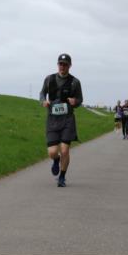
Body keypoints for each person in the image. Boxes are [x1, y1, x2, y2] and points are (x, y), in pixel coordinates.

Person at [39, 54, 83, 187]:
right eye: (60, 64)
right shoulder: (49, 79)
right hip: (52, 119)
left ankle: (62, 177)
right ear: (57, 65)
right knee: (52, 152)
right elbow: (42, 94)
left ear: (70, 66)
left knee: (64, 150)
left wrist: (75, 101)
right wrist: (43, 101)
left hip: (67, 119)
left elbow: (80, 100)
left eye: (65, 64)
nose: (62, 66)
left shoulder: (75, 82)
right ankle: (56, 160)